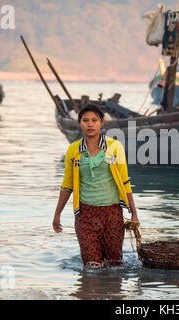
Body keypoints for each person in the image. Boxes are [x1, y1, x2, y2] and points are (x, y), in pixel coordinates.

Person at [52, 104, 139, 269]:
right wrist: (57, 214)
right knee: (92, 267)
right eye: (85, 120)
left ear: (102, 123)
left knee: (114, 265)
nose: (90, 124)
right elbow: (67, 185)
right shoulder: (74, 150)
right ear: (80, 123)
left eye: (94, 120)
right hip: (85, 215)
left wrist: (133, 213)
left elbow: (124, 181)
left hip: (112, 214)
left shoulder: (114, 147)